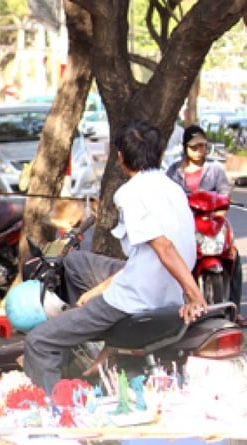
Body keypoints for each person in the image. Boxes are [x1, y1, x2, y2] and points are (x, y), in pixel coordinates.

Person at [23, 120, 207, 393]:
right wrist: (99, 288)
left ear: (121, 158)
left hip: (136, 298)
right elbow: (149, 256)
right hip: (164, 288)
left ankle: (57, 414)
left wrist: (195, 296)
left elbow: (163, 246)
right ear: (157, 155)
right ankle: (102, 341)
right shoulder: (173, 189)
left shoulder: (130, 193)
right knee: (75, 263)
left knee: (39, 342)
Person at [166, 125, 244, 326]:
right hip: (184, 229)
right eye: (195, 147)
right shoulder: (174, 172)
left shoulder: (215, 170)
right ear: (185, 147)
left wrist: (216, 218)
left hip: (211, 228)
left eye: (203, 146)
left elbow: (224, 197)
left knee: (233, 256)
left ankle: (235, 309)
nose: (199, 150)